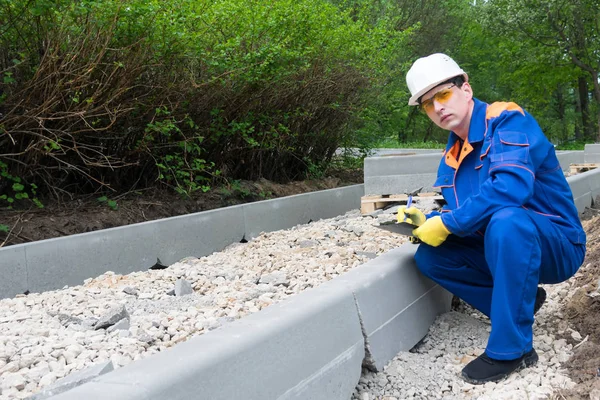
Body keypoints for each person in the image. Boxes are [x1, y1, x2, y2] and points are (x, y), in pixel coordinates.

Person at [400, 53, 586, 384]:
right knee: (430, 258)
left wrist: (448, 224)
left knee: (507, 220)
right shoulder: (452, 158)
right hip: (504, 242)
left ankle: (511, 350)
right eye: (428, 104)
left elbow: (510, 189)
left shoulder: (507, 120)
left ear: (465, 88)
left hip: (556, 242)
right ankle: (522, 302)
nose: (438, 107)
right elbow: (469, 213)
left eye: (443, 94)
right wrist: (428, 219)